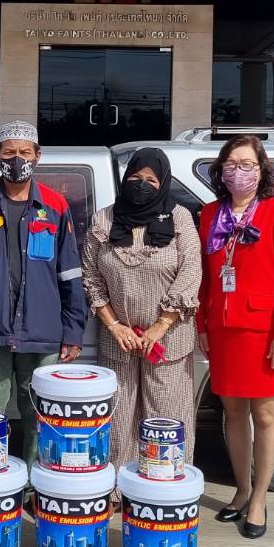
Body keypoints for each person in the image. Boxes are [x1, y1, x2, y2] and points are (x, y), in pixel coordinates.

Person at [0, 120, 86, 473]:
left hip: (42, 332)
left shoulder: (55, 206)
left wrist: (73, 331)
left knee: (41, 415)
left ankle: (35, 486)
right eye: (9, 152)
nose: (17, 159)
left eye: (25, 152)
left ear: (38, 156)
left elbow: (70, 273)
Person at [196, 133, 274, 540]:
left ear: (261, 170)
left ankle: (259, 497)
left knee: (266, 414)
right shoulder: (210, 214)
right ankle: (241, 489)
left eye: (247, 164)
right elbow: (205, 278)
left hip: (264, 331)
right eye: (231, 164)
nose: (238, 172)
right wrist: (202, 324)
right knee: (233, 413)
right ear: (220, 171)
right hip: (223, 329)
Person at [81, 147, 202, 473]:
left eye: (151, 179)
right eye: (135, 177)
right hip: (118, 339)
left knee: (166, 416)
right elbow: (91, 276)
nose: (142, 184)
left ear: (163, 183)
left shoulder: (180, 218)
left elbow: (191, 273)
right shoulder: (104, 219)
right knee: (118, 418)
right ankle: (117, 488)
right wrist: (114, 325)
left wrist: (159, 326)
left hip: (167, 340)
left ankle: (164, 485)